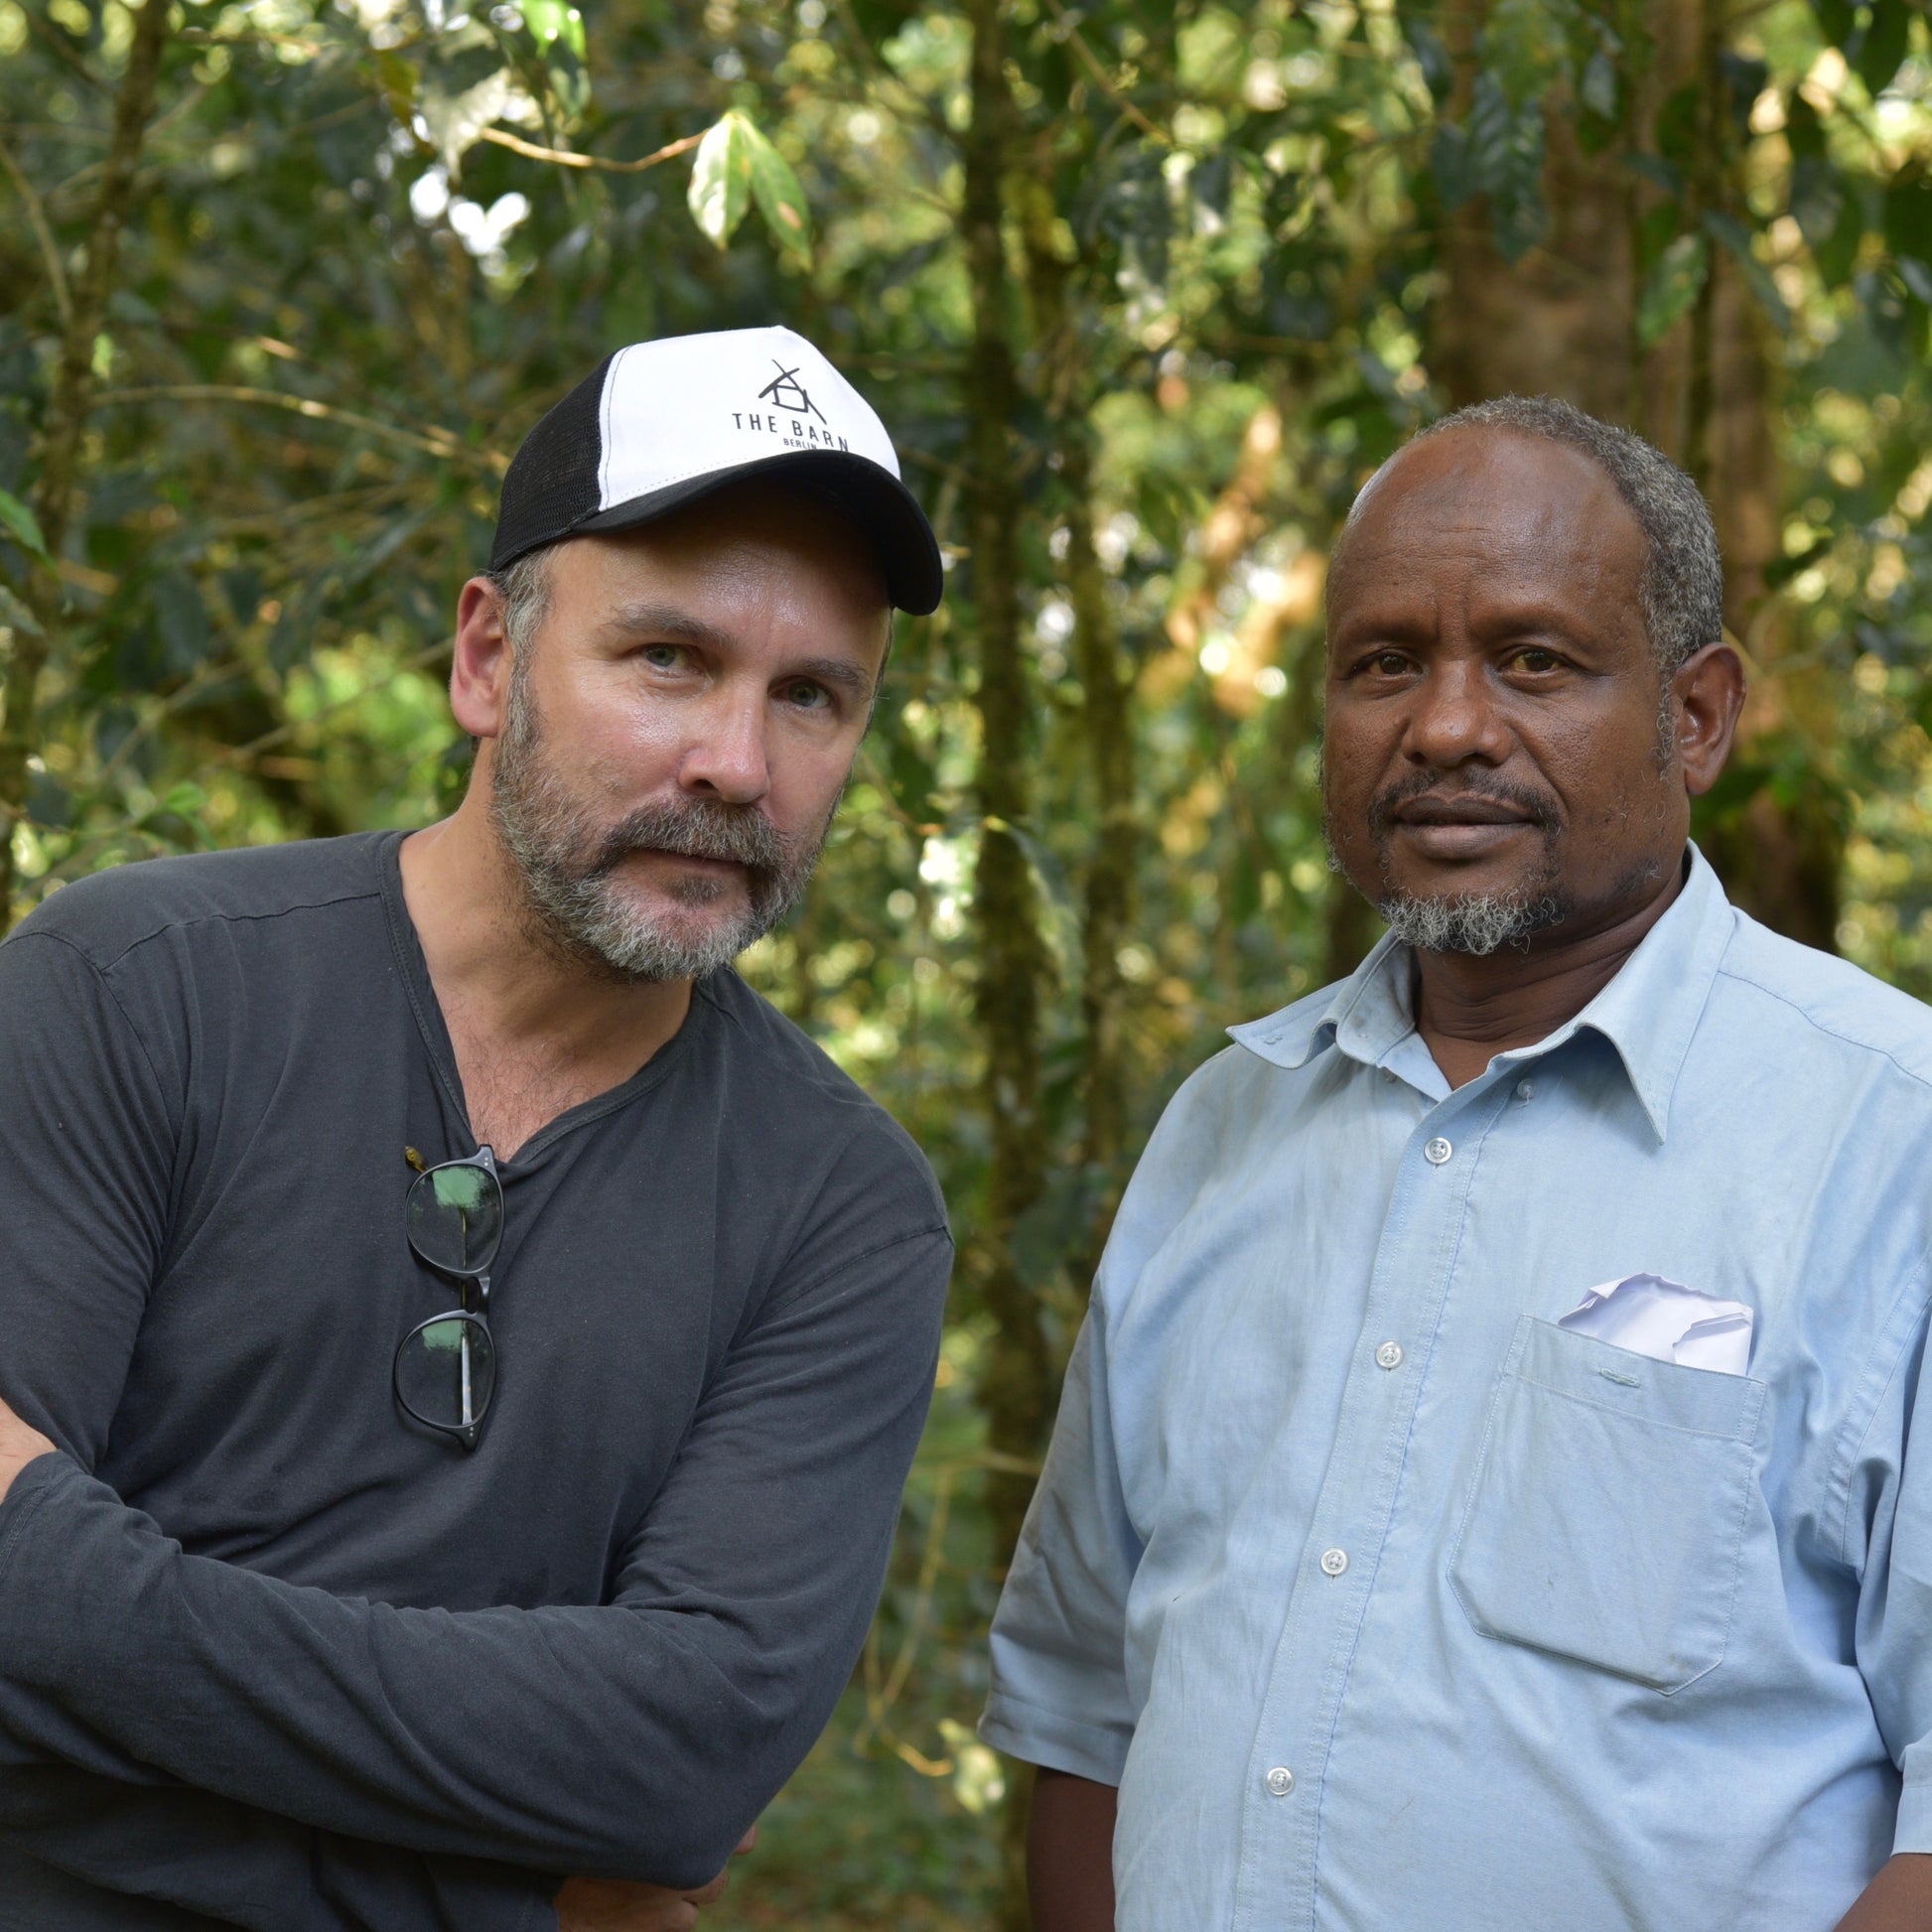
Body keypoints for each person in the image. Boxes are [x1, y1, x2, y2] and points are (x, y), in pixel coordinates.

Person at [0, 325, 954, 1932]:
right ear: (488, 659)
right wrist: (502, 1821)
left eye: (810, 696)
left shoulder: (840, 1206)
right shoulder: (133, 990)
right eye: (668, 658)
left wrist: (96, 1619)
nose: (737, 762)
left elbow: (680, 1767)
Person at [982, 396, 1932, 1932]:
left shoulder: (1889, 1137)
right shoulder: (1221, 1132)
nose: (1442, 727)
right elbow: (1083, 1720)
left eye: (1532, 658)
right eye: (1381, 665)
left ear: (1695, 715)